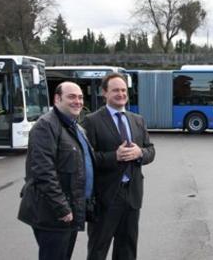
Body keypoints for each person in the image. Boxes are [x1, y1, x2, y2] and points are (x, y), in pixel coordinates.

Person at [18, 82, 95, 260]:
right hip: (53, 214)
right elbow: (43, 172)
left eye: (80, 97)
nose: (78, 101)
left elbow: (84, 164)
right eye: (72, 97)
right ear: (57, 99)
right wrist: (62, 209)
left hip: (69, 210)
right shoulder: (46, 126)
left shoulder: (76, 127)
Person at [83, 73, 155, 260]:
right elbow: (86, 159)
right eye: (115, 90)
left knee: (127, 250)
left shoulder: (137, 120)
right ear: (104, 93)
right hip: (105, 197)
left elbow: (150, 150)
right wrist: (113, 156)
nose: (121, 94)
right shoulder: (92, 121)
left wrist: (140, 153)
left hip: (132, 196)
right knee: (98, 250)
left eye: (123, 90)